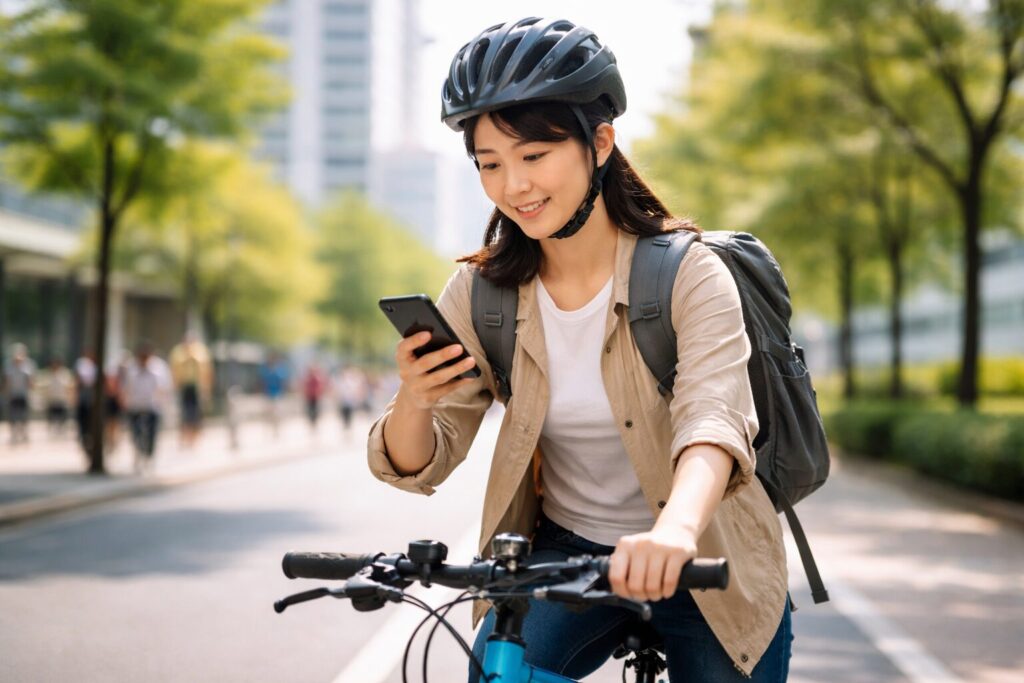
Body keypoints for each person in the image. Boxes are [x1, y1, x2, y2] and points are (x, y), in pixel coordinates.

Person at [366, 18, 791, 682]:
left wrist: (674, 532)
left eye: (534, 156)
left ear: (600, 142)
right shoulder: (481, 293)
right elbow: (421, 460)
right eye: (489, 164)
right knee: (501, 671)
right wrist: (414, 400)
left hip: (705, 550)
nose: (514, 187)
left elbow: (714, 417)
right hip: (564, 553)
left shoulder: (688, 272)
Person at [121, 341, 172, 473]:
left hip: (152, 406)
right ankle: (138, 454)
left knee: (152, 435)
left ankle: (149, 456)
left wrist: (163, 403)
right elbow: (125, 387)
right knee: (135, 434)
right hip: (135, 406)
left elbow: (165, 387)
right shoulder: (131, 368)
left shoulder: (159, 368)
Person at [169, 332, 214, 448]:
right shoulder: (178, 352)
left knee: (196, 413)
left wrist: (207, 389)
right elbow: (174, 369)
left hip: (197, 386)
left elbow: (207, 371)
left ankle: (194, 437)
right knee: (183, 412)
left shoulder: (201, 351)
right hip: (183, 386)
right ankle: (184, 436)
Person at [3, 343, 35, 445]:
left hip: (23, 394)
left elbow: (30, 381)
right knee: (12, 415)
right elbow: (7, 380)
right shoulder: (8, 365)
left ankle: (24, 434)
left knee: (24, 415)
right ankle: (13, 434)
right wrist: (6, 393)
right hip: (13, 394)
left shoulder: (28, 364)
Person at [41, 358, 75, 436]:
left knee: (62, 417)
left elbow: (69, 387)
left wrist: (71, 397)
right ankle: (52, 431)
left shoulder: (65, 373)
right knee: (51, 417)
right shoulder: (47, 374)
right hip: (51, 400)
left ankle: (61, 431)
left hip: (62, 399)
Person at [302, 362, 326, 432]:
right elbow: (304, 387)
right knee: (310, 411)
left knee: (316, 411)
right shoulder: (307, 378)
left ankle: (314, 423)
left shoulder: (317, 378)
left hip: (316, 397)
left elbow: (321, 387)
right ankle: (312, 423)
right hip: (309, 397)